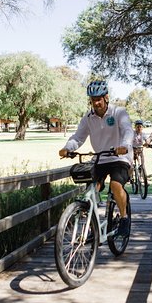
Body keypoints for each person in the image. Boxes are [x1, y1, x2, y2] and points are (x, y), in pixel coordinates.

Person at [59, 80, 133, 236]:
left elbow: (127, 131)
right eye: (93, 100)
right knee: (92, 189)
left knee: (115, 185)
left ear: (106, 97)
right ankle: (93, 225)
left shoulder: (119, 112)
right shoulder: (88, 118)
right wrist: (68, 148)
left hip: (119, 158)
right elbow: (78, 137)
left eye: (99, 99)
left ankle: (124, 218)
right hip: (100, 159)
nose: (96, 103)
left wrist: (124, 146)